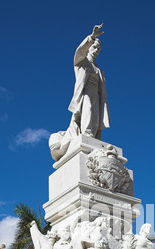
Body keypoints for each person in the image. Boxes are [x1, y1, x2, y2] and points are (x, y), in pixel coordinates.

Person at [50, 24, 110, 161]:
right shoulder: (82, 63)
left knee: (95, 118)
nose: (96, 50)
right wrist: (91, 38)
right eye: (94, 47)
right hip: (85, 94)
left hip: (97, 96)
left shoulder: (100, 71)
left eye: (99, 49)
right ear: (89, 48)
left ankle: (92, 138)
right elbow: (79, 52)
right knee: (87, 111)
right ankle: (87, 137)